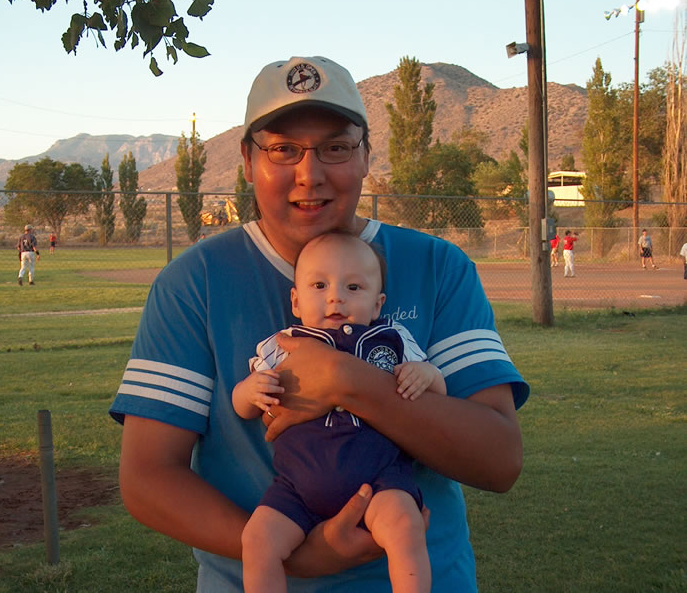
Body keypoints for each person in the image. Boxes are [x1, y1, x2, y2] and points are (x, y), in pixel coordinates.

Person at [110, 55, 529, 593]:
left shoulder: (436, 265)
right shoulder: (194, 283)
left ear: (366, 156)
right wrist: (299, 557)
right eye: (283, 148)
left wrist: (347, 381)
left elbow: (499, 461)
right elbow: (147, 479)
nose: (310, 173)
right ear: (246, 159)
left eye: (336, 147)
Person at [234, 231, 445, 593]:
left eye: (353, 288)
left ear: (378, 304)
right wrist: (249, 391)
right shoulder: (284, 344)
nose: (335, 297)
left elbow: (439, 390)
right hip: (297, 487)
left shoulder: (392, 338)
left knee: (405, 525)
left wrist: (426, 374)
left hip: (380, 480)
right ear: (296, 301)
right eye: (319, 285)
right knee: (256, 539)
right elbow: (243, 405)